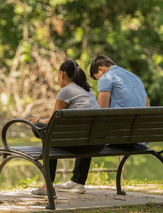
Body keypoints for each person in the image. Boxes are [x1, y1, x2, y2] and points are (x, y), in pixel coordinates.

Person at [55, 55, 150, 194]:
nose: (99, 81)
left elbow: (100, 114)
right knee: (90, 132)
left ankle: (77, 181)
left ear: (101, 69)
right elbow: (147, 107)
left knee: (89, 131)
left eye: (97, 78)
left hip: (121, 138)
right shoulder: (136, 78)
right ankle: (76, 181)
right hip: (140, 138)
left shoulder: (107, 78)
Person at [28, 59, 103, 197]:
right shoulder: (88, 91)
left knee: (42, 131)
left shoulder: (66, 91)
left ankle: (48, 187)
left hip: (78, 144)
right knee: (81, 133)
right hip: (94, 144)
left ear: (62, 74)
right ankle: (78, 182)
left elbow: (51, 123)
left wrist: (36, 121)